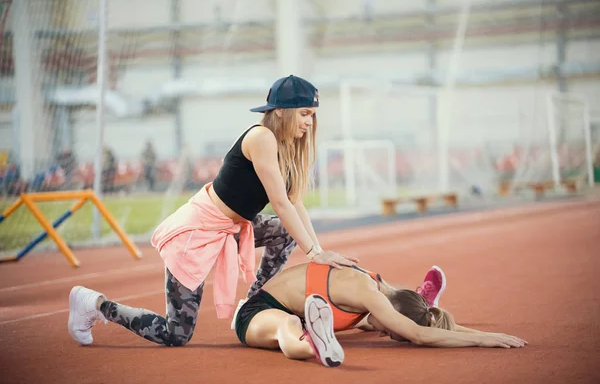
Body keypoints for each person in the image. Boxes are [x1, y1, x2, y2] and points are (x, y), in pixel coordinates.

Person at [67, 75, 359, 347]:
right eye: (304, 113)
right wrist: (314, 254)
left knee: (285, 233)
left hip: (231, 230)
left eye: (313, 114)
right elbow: (280, 204)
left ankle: (254, 302)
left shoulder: (287, 146)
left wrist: (318, 249)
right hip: (196, 233)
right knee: (175, 334)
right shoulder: (261, 138)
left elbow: (294, 203)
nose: (310, 121)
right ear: (280, 111)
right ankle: (93, 304)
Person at [233, 264, 528, 367]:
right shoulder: (370, 295)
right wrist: (485, 340)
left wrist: (476, 333)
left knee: (297, 320)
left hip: (297, 306)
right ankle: (313, 344)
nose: (383, 332)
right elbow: (420, 335)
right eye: (389, 330)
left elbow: (432, 325)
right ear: (391, 312)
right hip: (256, 312)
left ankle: (316, 335)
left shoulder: (379, 288)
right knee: (288, 324)